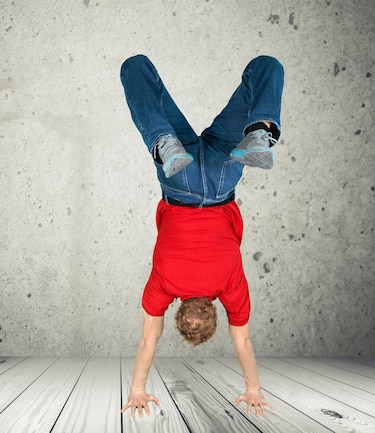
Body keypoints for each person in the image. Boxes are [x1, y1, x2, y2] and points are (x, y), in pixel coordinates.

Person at [119, 54, 284, 418]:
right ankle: (162, 142)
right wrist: (136, 389)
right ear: (177, 310)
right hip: (179, 182)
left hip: (224, 172)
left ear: (215, 312)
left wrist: (253, 389)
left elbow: (242, 340)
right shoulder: (162, 288)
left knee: (265, 66)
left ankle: (260, 132)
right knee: (136, 67)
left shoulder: (231, 289)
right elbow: (149, 340)